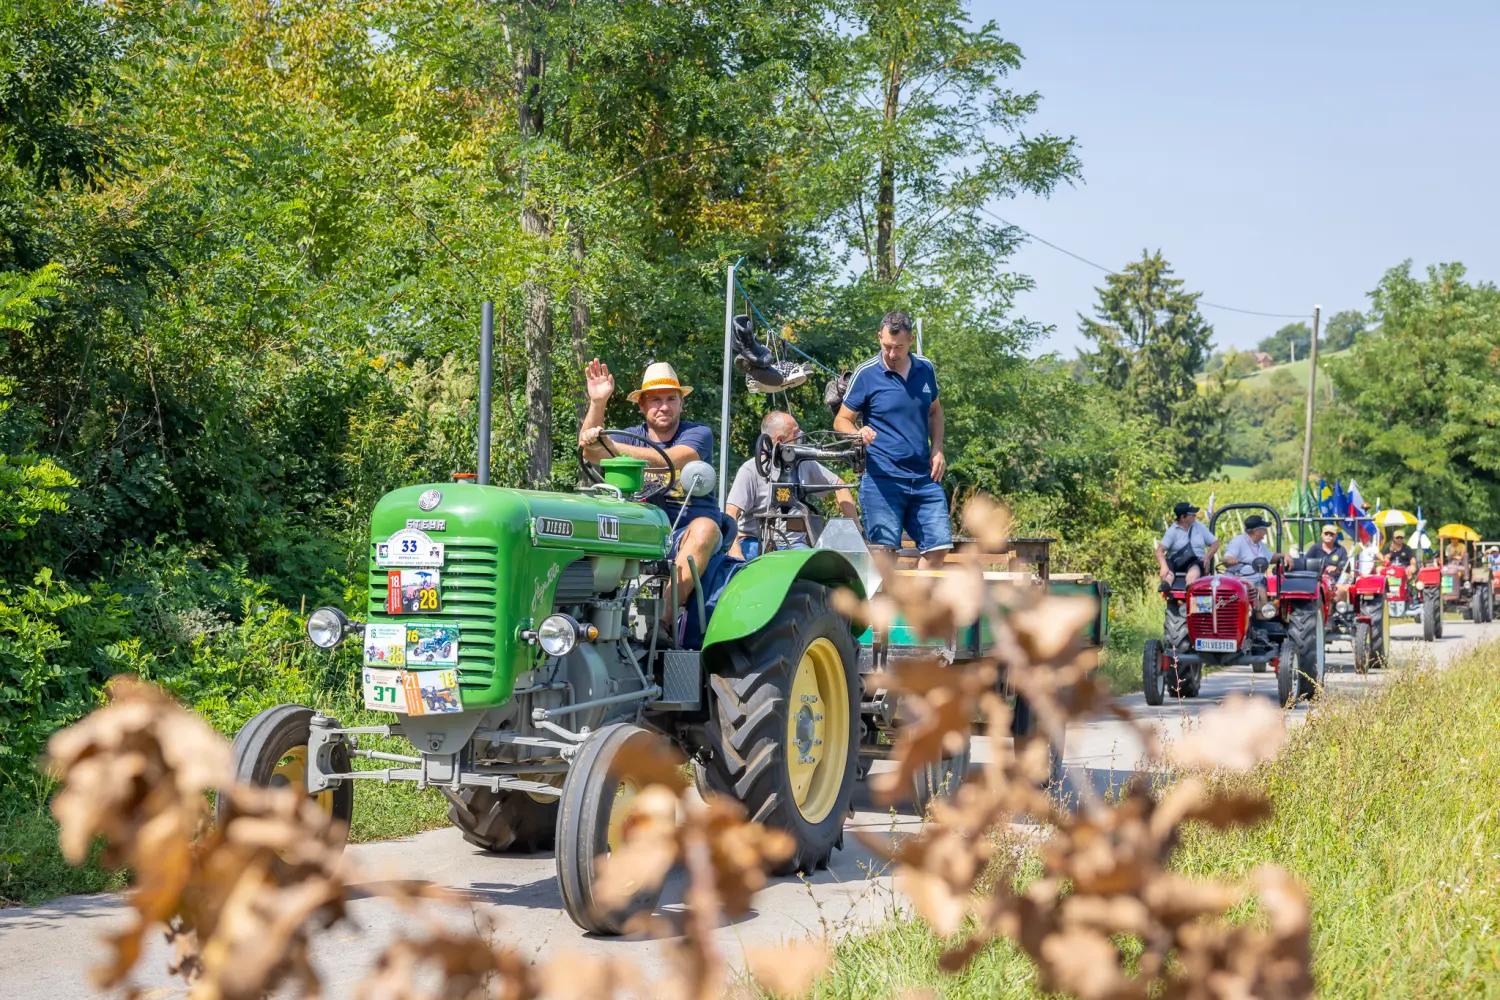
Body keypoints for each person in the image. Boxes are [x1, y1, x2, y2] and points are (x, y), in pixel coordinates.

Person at [578, 359, 728, 615]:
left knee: (705, 528)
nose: (664, 406)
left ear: (682, 403)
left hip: (684, 533)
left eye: (671, 399)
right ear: (642, 405)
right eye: (655, 400)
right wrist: (598, 402)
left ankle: (663, 622)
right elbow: (589, 453)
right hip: (641, 531)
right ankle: (584, 620)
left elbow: (667, 460)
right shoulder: (630, 435)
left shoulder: (699, 434)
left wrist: (610, 449)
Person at [833, 310, 949, 569]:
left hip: (923, 478)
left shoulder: (925, 368)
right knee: (885, 557)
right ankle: (891, 608)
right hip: (881, 479)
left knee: (938, 549)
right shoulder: (866, 373)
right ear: (879, 338)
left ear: (910, 339)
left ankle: (915, 608)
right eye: (886, 346)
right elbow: (841, 420)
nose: (892, 354)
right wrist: (857, 433)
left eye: (898, 347)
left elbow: (935, 410)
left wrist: (938, 448)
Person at [725, 411, 858, 561]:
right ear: (780, 441)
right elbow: (730, 512)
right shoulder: (750, 470)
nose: (801, 435)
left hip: (794, 545)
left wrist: (856, 530)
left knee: (814, 566)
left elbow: (839, 485)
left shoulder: (804, 463)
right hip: (755, 542)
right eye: (795, 433)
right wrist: (734, 550)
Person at [1223, 514, 1288, 605]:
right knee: (1258, 591)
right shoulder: (1238, 542)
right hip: (1239, 580)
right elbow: (1226, 559)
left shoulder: (1259, 544)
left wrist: (1284, 555)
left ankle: (1261, 617)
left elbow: (1271, 557)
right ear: (1257, 531)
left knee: (1261, 589)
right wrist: (1230, 560)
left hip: (1257, 580)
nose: (1265, 533)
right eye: (1264, 530)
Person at [1155, 502, 1218, 587]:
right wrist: (1163, 566)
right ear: (1183, 517)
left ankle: (1190, 585)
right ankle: (1166, 584)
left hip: (1195, 560)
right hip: (1176, 561)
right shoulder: (1172, 531)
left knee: (1195, 568)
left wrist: (1208, 556)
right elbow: (1159, 551)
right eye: (1192, 514)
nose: (1195, 516)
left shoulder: (1198, 526)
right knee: (1168, 568)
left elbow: (1215, 543)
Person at [1311, 524, 1350, 603]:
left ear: (1335, 536)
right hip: (1318, 580)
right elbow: (1305, 562)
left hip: (1336, 581)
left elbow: (1347, 569)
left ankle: (1338, 609)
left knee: (1341, 588)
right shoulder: (1315, 548)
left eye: (1331, 534)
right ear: (1322, 535)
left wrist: (1337, 569)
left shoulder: (1341, 550)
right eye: (1326, 533)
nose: (1328, 536)